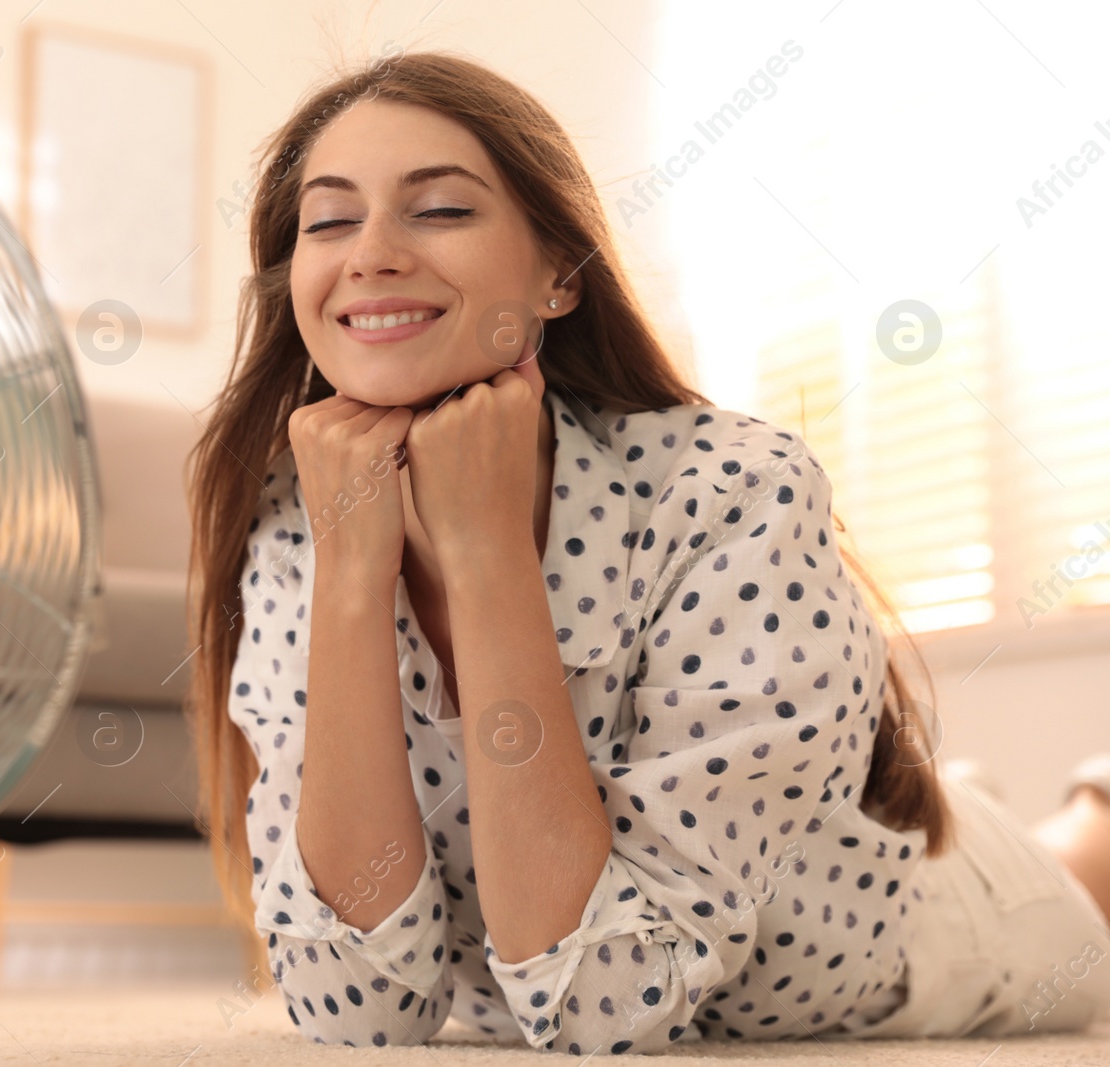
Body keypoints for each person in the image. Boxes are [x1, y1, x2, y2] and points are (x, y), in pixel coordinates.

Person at [184, 48, 1110, 1053]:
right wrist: (354, 580)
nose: (369, 254)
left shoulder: (730, 492)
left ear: (557, 278)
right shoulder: (296, 517)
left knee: (1081, 862)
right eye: (329, 219)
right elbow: (356, 1014)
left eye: (440, 209)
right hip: (773, 816)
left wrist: (489, 548)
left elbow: (599, 1010)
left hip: (937, 922)